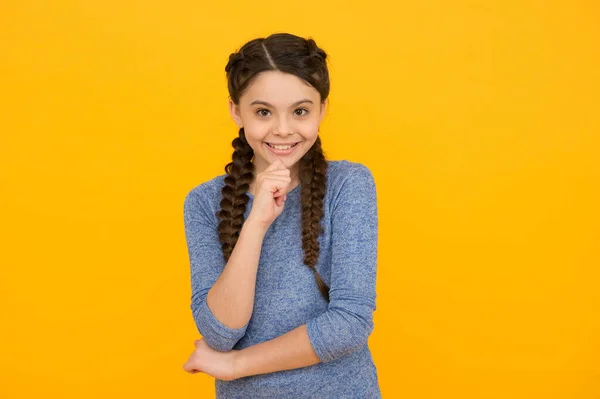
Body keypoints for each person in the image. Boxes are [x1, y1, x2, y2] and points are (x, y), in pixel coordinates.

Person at [182, 32, 381, 398]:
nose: (284, 129)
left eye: (300, 111)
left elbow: (350, 322)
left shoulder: (348, 185)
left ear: (322, 110)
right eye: (263, 112)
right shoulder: (203, 203)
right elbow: (220, 332)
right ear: (235, 111)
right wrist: (255, 223)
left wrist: (236, 365)